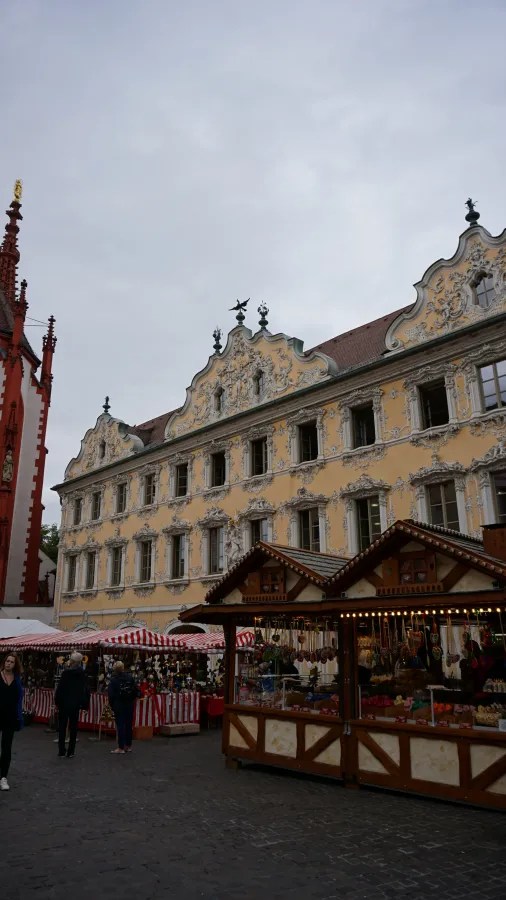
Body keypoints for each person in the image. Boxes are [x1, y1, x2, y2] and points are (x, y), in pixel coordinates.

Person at [54, 652, 89, 759]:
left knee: (62, 727)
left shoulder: (66, 673)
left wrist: (57, 702)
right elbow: (86, 690)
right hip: (75, 704)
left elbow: (60, 689)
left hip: (64, 703)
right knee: (73, 728)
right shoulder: (82, 674)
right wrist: (84, 704)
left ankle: (61, 750)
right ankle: (71, 751)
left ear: (72, 661)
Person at [0, 653, 24, 791]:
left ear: (15, 665)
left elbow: (18, 699)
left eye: (12, 662)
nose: (9, 663)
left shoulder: (17, 679)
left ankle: (3, 777)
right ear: (4, 662)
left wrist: (18, 715)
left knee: (7, 748)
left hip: (10, 717)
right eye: (7, 661)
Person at [107, 661, 139, 754]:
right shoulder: (130, 678)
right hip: (129, 703)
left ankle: (120, 747)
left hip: (119, 704)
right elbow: (135, 690)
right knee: (128, 725)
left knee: (120, 725)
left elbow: (111, 695)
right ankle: (128, 745)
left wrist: (112, 704)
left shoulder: (114, 680)